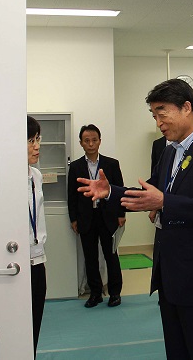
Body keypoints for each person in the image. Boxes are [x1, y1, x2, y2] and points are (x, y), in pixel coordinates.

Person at [77, 78, 193, 359]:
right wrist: (111, 192)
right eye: (154, 116)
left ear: (186, 107)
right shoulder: (168, 152)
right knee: (177, 352)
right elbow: (150, 193)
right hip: (169, 275)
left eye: (162, 113)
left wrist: (165, 202)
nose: (158, 123)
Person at [67, 124, 125, 308]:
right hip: (86, 218)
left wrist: (121, 214)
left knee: (111, 255)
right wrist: (73, 219)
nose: (91, 144)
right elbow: (71, 195)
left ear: (100, 141)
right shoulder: (75, 167)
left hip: (108, 216)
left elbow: (120, 190)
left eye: (94, 140)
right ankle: (95, 293)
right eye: (87, 141)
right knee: (90, 257)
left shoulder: (111, 164)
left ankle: (115, 293)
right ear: (81, 143)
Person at [27, 116, 48, 357]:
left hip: (38, 259)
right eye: (31, 140)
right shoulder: (1, 182)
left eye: (37, 139)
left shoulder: (36, 175)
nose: (36, 146)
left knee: (35, 323)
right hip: (17, 263)